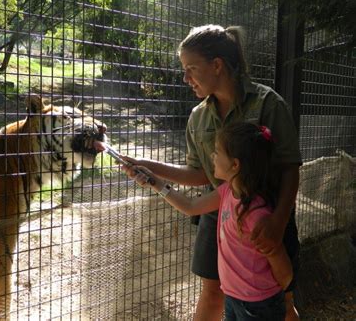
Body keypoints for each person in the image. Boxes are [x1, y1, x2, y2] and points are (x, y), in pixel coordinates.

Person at [121, 24, 301, 320]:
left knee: (281, 296)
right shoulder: (198, 116)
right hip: (218, 211)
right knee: (213, 291)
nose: (185, 78)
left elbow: (290, 168)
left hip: (266, 218)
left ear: (217, 65)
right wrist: (149, 168)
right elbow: (200, 173)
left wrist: (278, 222)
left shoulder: (268, 103)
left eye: (191, 68)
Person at [131, 122, 292, 320]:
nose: (212, 156)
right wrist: (155, 183)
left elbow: (285, 274)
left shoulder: (257, 214)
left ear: (235, 165)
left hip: (258, 305)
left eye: (217, 152)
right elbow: (190, 206)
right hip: (234, 297)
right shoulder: (227, 192)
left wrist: (272, 298)